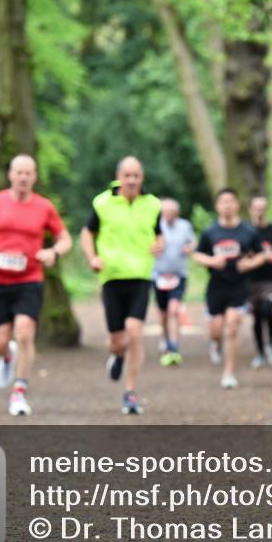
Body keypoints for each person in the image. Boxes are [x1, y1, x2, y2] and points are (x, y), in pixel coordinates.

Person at [0, 154, 72, 416]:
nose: (24, 177)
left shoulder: (44, 207)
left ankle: (19, 393)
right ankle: (6, 356)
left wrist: (53, 252)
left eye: (29, 173)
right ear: (10, 175)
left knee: (25, 333)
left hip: (29, 280)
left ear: (35, 176)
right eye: (19, 172)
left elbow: (65, 239)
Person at [80, 156, 164, 415]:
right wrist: (92, 257)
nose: (131, 180)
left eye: (136, 175)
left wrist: (160, 244)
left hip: (140, 275)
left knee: (135, 332)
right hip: (112, 277)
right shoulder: (102, 203)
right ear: (119, 176)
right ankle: (116, 355)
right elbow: (86, 232)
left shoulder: (152, 204)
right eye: (127, 175)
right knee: (117, 340)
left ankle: (130, 392)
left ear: (142, 178)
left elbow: (159, 233)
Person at [191, 188, 268, 389]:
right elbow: (197, 255)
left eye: (230, 201)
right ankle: (215, 343)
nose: (227, 205)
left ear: (237, 205)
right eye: (222, 202)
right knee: (216, 331)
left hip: (240, 285)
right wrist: (212, 260)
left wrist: (250, 264)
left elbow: (261, 255)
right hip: (216, 286)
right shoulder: (210, 232)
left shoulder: (248, 231)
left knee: (233, 327)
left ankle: (229, 373)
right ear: (217, 206)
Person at [152, 197, 196, 367]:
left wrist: (189, 248)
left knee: (174, 309)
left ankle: (174, 345)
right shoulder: (155, 226)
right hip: (158, 275)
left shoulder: (185, 226)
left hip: (179, 275)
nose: (169, 215)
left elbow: (193, 242)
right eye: (165, 212)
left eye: (172, 212)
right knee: (163, 313)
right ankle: (165, 336)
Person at [247, 195, 272, 369]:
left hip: (270, 279)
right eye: (256, 207)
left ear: (266, 209)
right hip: (250, 280)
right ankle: (260, 352)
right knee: (256, 315)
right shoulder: (246, 231)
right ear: (250, 209)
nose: (259, 211)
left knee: (268, 311)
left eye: (262, 207)